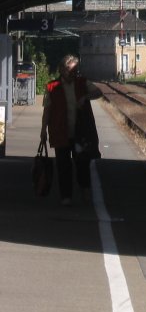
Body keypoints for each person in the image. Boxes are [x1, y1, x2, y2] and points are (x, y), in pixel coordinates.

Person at [40, 55, 102, 205]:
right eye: (69, 70)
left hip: (80, 133)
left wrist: (85, 97)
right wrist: (43, 130)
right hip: (60, 132)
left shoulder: (82, 83)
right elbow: (47, 110)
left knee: (82, 163)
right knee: (63, 165)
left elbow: (98, 92)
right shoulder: (52, 87)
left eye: (75, 71)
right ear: (61, 69)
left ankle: (85, 191)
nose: (72, 74)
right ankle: (65, 196)